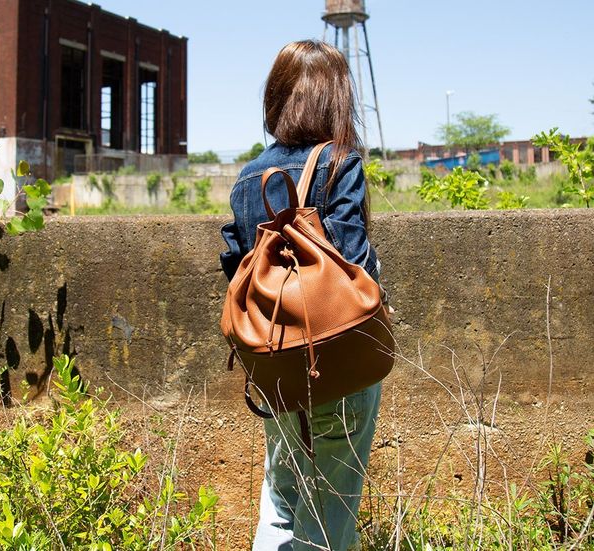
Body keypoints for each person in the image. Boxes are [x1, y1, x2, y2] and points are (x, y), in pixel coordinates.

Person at [219, 40, 387, 550]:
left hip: (274, 361)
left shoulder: (249, 177)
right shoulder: (340, 164)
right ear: (336, 100)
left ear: (277, 97)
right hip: (335, 358)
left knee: (282, 495)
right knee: (330, 508)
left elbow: (236, 268)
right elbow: (354, 265)